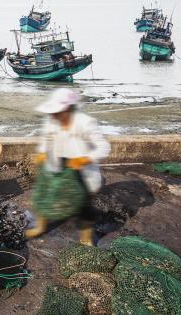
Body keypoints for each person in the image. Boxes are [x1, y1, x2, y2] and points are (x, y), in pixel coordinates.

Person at [26, 88, 111, 246]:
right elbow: (46, 140)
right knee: (44, 196)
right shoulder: (51, 121)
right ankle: (40, 227)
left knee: (84, 207)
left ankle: (86, 238)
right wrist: (43, 153)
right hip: (58, 166)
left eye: (58, 111)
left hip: (81, 172)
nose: (54, 115)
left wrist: (85, 159)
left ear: (69, 109)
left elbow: (104, 147)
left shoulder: (85, 123)